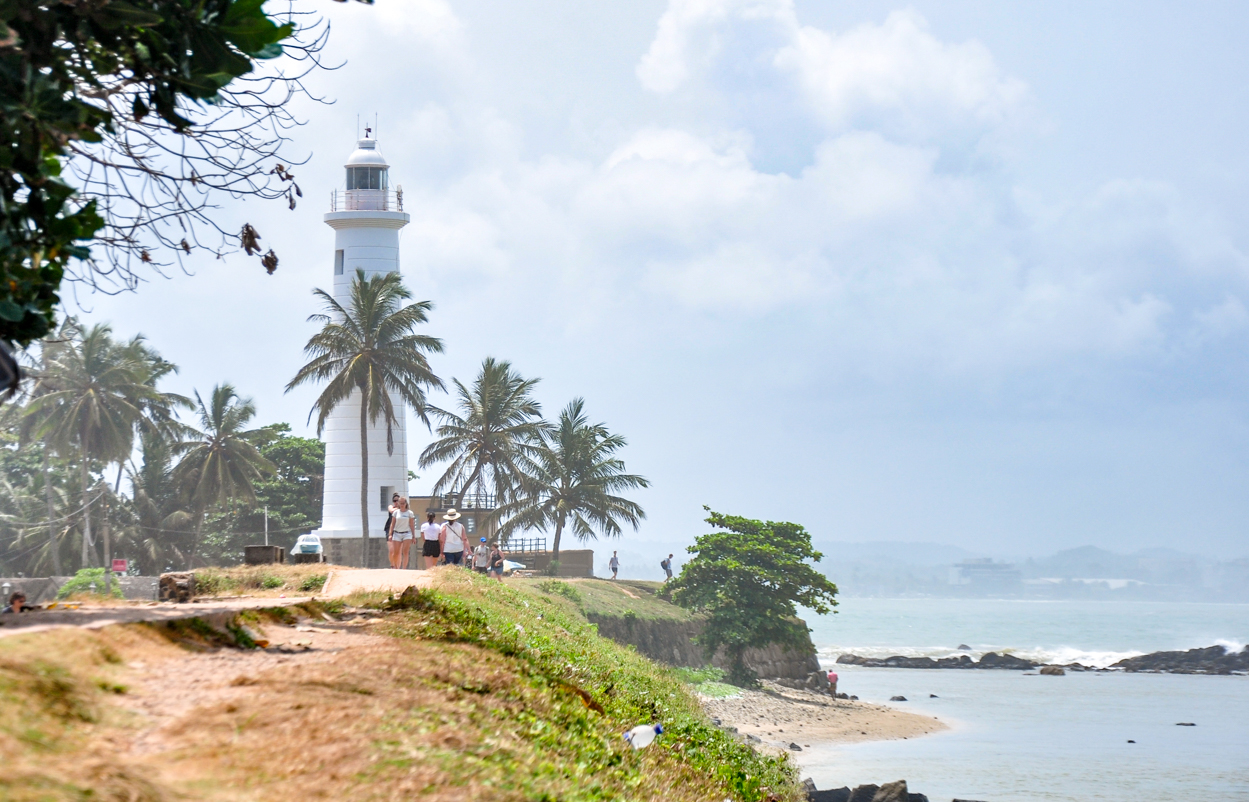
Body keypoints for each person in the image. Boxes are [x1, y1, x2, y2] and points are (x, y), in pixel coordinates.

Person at [389, 497, 416, 569]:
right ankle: (396, 567)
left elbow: (412, 525)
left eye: (403, 503)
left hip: (407, 533)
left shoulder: (410, 513)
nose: (402, 505)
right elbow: (392, 523)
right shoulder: (396, 512)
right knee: (396, 552)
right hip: (397, 533)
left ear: (406, 503)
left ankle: (404, 568)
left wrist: (413, 536)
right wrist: (390, 534)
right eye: (400, 503)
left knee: (405, 552)